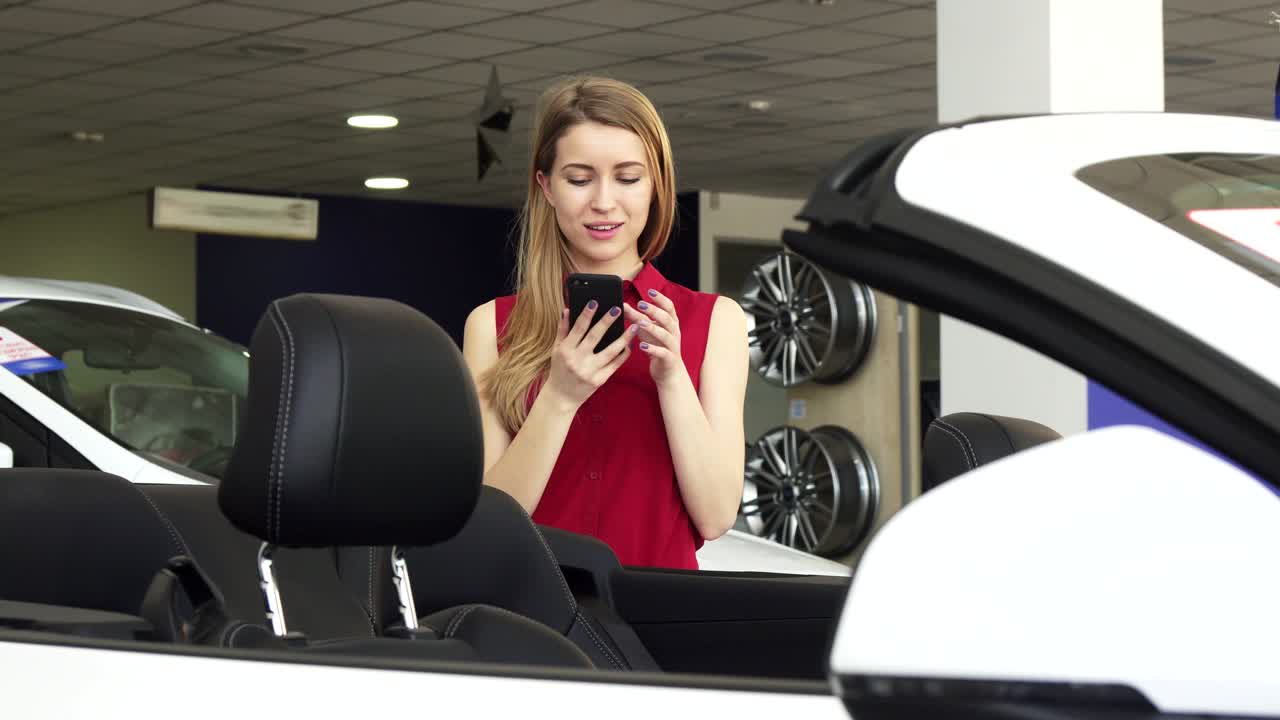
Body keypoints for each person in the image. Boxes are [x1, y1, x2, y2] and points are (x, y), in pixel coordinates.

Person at [462, 75, 749, 570]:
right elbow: (488, 522)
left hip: (655, 608)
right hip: (531, 605)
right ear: (546, 187)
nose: (603, 201)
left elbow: (716, 517)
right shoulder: (492, 325)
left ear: (656, 184)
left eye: (628, 178)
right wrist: (559, 396)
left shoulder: (715, 321)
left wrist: (673, 380)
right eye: (579, 179)